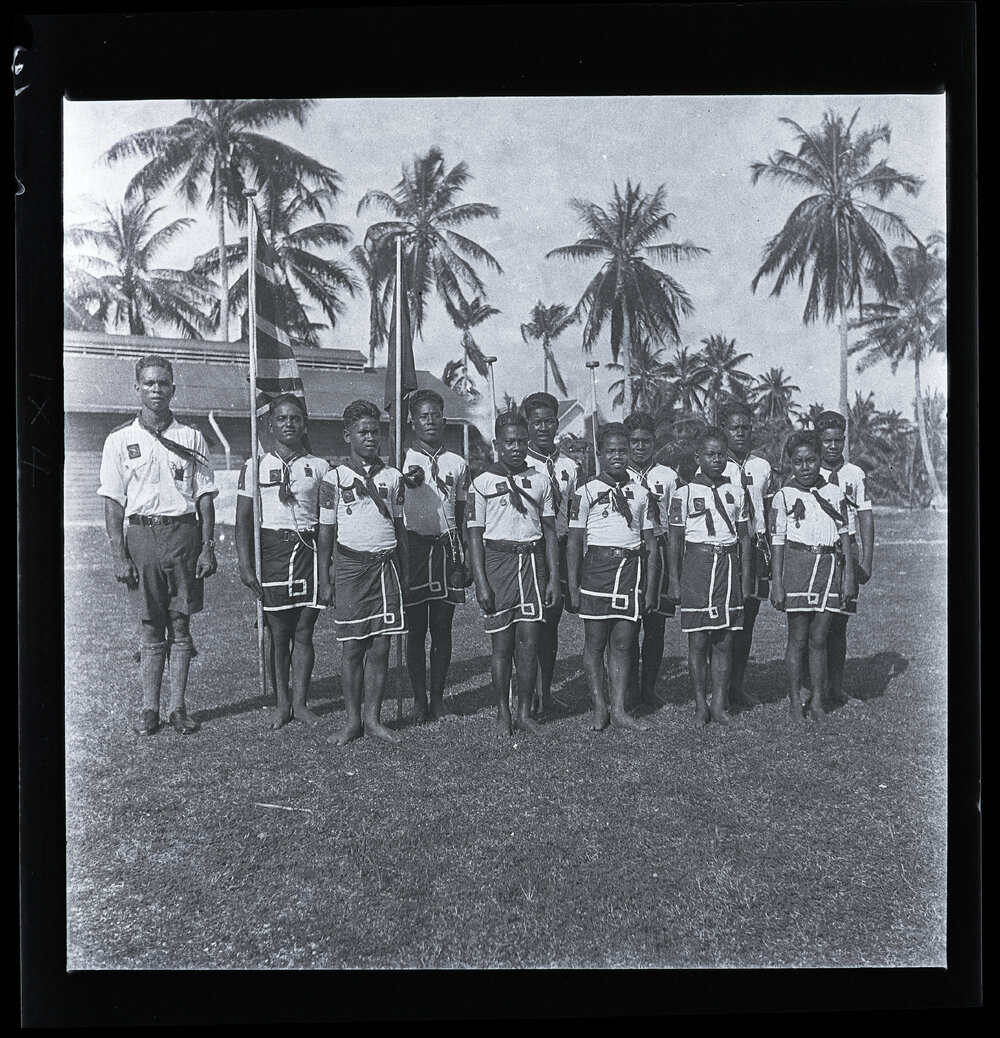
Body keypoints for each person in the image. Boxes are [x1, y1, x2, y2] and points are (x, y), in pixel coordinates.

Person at [98, 355, 218, 736]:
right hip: (143, 537)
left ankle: (178, 707)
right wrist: (119, 554)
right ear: (137, 389)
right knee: (151, 624)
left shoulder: (191, 437)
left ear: (173, 389)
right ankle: (149, 708)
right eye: (149, 383)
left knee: (181, 622)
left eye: (163, 383)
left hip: (183, 534)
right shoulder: (119, 439)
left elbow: (204, 497)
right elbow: (113, 502)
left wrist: (208, 546)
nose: (156, 390)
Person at [317, 399, 408, 746]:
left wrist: (406, 571)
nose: (371, 438)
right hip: (351, 569)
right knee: (353, 647)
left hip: (386, 568)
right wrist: (326, 577)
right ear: (347, 435)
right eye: (363, 432)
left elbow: (399, 529)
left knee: (381, 646)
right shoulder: (334, 479)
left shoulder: (392, 477)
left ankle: (373, 719)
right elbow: (326, 530)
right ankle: (352, 721)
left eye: (376, 431)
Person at [236, 395, 330, 729]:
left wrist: (327, 566)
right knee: (278, 633)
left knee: (304, 631)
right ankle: (281, 704)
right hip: (272, 553)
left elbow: (328, 521)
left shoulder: (320, 467)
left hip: (308, 552)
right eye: (281, 418)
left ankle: (301, 704)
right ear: (270, 424)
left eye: (295, 418)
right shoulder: (255, 466)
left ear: (304, 424)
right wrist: (246, 565)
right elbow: (243, 520)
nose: (288, 424)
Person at [466, 411, 560, 738]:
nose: (517, 447)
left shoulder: (541, 480)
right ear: (497, 444)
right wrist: (480, 582)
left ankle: (524, 713)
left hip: (532, 566)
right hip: (498, 565)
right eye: (510, 441)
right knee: (502, 645)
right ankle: (502, 714)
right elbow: (475, 536)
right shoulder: (482, 483)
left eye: (522, 441)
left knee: (529, 644)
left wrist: (552, 578)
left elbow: (549, 531)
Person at [568, 423, 658, 732]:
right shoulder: (586, 491)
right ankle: (599, 708)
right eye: (611, 451)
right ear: (600, 454)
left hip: (631, 573)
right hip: (597, 572)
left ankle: (619, 709)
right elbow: (574, 542)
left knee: (623, 641)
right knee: (595, 641)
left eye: (623, 450)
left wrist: (650, 588)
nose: (618, 456)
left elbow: (650, 542)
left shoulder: (641, 493)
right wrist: (574, 585)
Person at [666, 427, 752, 725]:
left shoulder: (737, 492)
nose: (716, 460)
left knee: (725, 640)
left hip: (728, 568)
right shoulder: (684, 493)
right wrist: (674, 580)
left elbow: (744, 539)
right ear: (697, 456)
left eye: (721, 455)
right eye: (709, 454)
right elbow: (675, 540)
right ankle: (700, 704)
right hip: (697, 568)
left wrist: (747, 577)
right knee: (698, 640)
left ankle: (719, 704)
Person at [769, 431, 857, 723]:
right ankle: (796, 701)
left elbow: (844, 535)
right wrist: (778, 582)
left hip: (830, 568)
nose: (804, 467)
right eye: (797, 462)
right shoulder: (784, 495)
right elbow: (778, 541)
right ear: (790, 464)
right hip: (798, 566)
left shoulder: (834, 493)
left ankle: (818, 700)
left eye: (810, 460)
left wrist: (848, 578)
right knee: (798, 638)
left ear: (821, 459)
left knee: (819, 638)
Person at [401, 389, 470, 722]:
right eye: (423, 416)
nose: (430, 421)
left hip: (446, 550)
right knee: (415, 630)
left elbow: (461, 512)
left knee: (442, 628)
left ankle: (439, 700)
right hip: (413, 550)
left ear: (444, 419)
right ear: (412, 421)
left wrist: (466, 556)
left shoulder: (457, 462)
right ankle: (418, 699)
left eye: (435, 415)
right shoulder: (401, 459)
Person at [523, 391, 582, 719]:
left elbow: (575, 516)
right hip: (530, 551)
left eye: (549, 421)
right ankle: (526, 694)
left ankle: (546, 693)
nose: (543, 428)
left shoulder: (569, 466)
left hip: (557, 549)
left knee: (551, 624)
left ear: (557, 423)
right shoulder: (519, 461)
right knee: (529, 625)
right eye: (536, 422)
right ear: (527, 426)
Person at [815, 410, 875, 706]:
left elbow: (865, 516)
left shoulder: (855, 474)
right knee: (814, 624)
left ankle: (836, 688)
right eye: (827, 440)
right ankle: (812, 688)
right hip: (818, 548)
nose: (833, 446)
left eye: (839, 440)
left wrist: (866, 559)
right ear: (819, 440)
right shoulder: (808, 471)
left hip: (846, 549)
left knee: (839, 624)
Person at [718, 403, 775, 709]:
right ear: (724, 430)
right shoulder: (712, 465)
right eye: (733, 427)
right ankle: (719, 687)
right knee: (725, 619)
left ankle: (736, 686)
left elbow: (768, 510)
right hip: (726, 548)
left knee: (748, 618)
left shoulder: (763, 466)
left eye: (745, 427)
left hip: (755, 547)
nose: (740, 433)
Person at [623, 410, 681, 708]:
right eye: (634, 441)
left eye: (646, 441)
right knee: (627, 626)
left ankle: (649, 688)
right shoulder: (618, 473)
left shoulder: (668, 476)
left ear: (654, 442)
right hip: (629, 555)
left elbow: (675, 527)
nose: (640, 447)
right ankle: (629, 689)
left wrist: (674, 574)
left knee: (656, 625)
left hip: (658, 553)